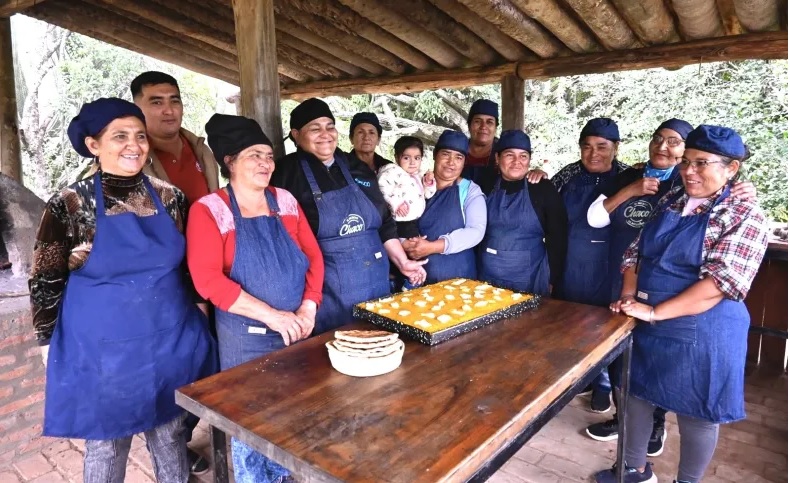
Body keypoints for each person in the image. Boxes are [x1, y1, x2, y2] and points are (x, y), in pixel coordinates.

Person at [29, 98, 216, 483]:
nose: (134, 145)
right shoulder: (70, 204)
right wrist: (47, 340)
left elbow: (185, 267)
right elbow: (46, 278)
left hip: (168, 338)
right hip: (103, 350)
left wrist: (198, 312)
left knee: (169, 432)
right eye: (120, 136)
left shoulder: (170, 197)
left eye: (139, 136)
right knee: (108, 441)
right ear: (94, 145)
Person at [593, 125, 769, 483]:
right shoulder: (672, 201)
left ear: (731, 168)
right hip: (646, 319)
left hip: (704, 329)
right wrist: (630, 296)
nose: (689, 171)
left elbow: (721, 283)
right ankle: (633, 470)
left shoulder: (744, 215)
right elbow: (634, 254)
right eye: (687, 161)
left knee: (698, 413)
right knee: (635, 394)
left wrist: (656, 311)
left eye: (702, 163)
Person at [186, 114, 323, 482]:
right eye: (254, 155)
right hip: (247, 344)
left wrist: (309, 306)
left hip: (297, 331)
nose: (265, 162)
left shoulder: (286, 201)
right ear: (230, 161)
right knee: (253, 431)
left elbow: (313, 257)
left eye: (268, 154)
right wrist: (274, 317)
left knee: (293, 420)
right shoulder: (209, 211)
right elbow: (208, 281)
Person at [271, 98, 426, 334]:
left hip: (376, 282)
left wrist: (402, 261)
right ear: (295, 134)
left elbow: (384, 223)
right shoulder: (284, 175)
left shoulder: (356, 167)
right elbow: (283, 242)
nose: (325, 134)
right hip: (328, 292)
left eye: (330, 126)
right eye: (315, 128)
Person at [553, 118, 630, 413]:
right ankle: (585, 377)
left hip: (608, 267)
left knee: (604, 327)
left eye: (602, 147)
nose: (593, 154)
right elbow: (544, 201)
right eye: (587, 147)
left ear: (616, 148)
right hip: (571, 263)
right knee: (572, 324)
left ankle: (604, 385)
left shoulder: (628, 178)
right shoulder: (567, 175)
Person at [81, 71, 219, 204]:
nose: (169, 110)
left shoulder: (202, 150)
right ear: (137, 108)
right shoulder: (128, 157)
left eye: (175, 101)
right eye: (157, 102)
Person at [478, 130, 567, 295]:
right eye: (509, 155)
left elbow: (558, 237)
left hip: (528, 279)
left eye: (523, 156)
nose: (516, 162)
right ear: (497, 158)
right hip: (486, 279)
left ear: (529, 160)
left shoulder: (542, 189)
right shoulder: (485, 185)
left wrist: (552, 279)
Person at [402, 130, 486, 284]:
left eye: (458, 157)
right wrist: (404, 244)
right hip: (415, 279)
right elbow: (394, 221)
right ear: (435, 155)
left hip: (460, 281)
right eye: (446, 154)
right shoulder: (412, 184)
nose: (451, 162)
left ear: (464, 162)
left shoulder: (469, 191)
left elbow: (476, 231)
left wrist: (433, 247)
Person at [377, 136, 437, 240]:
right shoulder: (393, 172)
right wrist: (396, 203)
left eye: (417, 158)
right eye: (406, 158)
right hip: (401, 220)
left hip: (415, 219)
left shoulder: (419, 175)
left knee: (416, 238)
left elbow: (428, 194)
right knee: (412, 241)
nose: (412, 162)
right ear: (396, 158)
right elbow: (382, 187)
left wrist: (428, 182)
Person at [462, 99, 499, 194]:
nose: (483, 126)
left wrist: (536, 174)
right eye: (478, 121)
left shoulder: (504, 153)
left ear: (495, 127)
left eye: (489, 122)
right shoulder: (458, 150)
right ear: (469, 125)